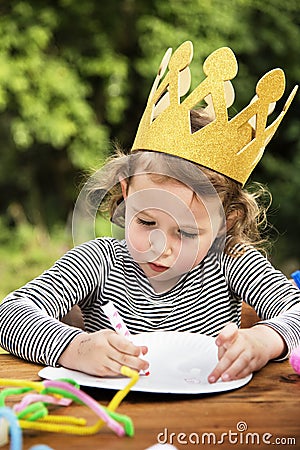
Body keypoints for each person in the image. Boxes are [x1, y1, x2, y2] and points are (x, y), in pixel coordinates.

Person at [0, 42, 299, 384]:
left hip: (207, 420)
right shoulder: (100, 261)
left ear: (224, 222)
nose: (161, 247)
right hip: (110, 418)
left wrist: (264, 339)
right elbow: (9, 311)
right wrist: (76, 347)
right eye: (146, 221)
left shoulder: (232, 261)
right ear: (127, 195)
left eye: (186, 233)